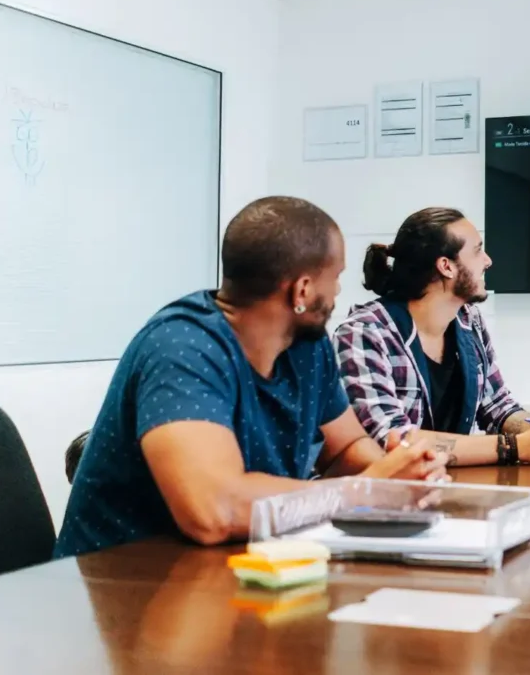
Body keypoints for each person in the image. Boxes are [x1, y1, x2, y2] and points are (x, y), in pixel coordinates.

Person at [55, 197, 447, 558]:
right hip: (119, 589)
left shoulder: (307, 347)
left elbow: (345, 449)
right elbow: (213, 511)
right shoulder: (182, 348)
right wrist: (368, 490)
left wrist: (397, 474)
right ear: (303, 289)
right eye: (336, 277)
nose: (339, 290)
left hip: (229, 574)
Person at [335, 206, 530, 466]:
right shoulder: (364, 333)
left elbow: (498, 408)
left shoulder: (468, 320)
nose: (488, 260)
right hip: (392, 498)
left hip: (451, 489)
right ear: (446, 266)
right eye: (477, 251)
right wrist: (513, 447)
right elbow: (392, 440)